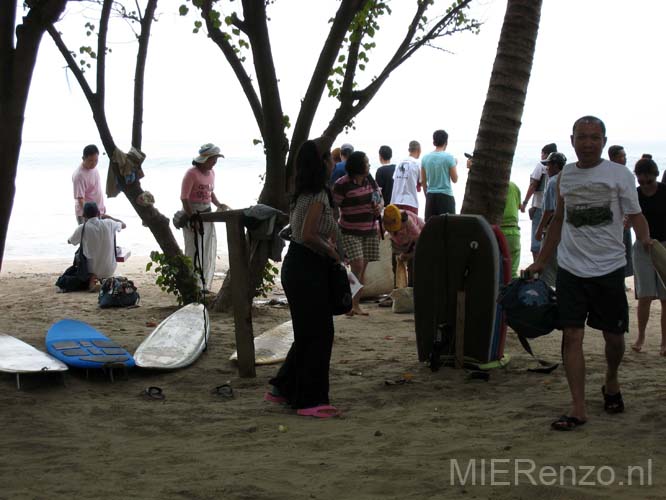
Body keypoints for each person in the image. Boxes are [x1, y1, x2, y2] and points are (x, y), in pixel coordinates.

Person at [527, 116, 651, 431]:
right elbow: (558, 221)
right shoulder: (563, 177)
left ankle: (611, 380)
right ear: (572, 141)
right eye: (582, 137)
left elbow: (635, 215)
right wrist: (542, 260)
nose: (588, 143)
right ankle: (578, 407)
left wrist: (648, 242)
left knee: (614, 338)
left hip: (609, 268)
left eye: (594, 137)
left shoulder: (620, 175)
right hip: (570, 268)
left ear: (604, 141)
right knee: (572, 335)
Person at [267, 138, 341, 418]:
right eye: (329, 158)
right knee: (320, 335)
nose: (333, 161)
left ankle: (283, 387)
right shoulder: (319, 194)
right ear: (322, 162)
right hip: (309, 266)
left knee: (308, 332)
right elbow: (309, 234)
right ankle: (310, 400)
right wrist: (332, 252)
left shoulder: (302, 193)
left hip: (296, 265)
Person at [333, 150, 383, 316]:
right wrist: (332, 232)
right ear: (358, 166)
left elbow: (379, 198)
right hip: (349, 231)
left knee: (363, 269)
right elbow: (334, 207)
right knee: (357, 265)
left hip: (369, 230)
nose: (369, 164)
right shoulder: (342, 184)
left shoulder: (370, 179)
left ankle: (355, 304)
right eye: (366, 162)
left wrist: (379, 207)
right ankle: (347, 301)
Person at [180, 143, 229, 292]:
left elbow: (210, 192)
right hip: (193, 214)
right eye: (213, 160)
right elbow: (184, 198)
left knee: (207, 248)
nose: (214, 163)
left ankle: (204, 283)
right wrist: (192, 218)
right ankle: (194, 284)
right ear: (204, 159)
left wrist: (219, 204)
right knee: (194, 249)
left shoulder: (212, 173)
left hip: (207, 214)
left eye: (216, 160)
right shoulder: (191, 173)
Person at [630, 156, 666, 354]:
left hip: (664, 247)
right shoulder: (634, 195)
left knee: (665, 297)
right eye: (641, 182)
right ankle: (641, 336)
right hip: (642, 248)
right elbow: (629, 219)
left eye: (649, 182)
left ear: (656, 176)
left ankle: (664, 342)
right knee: (645, 295)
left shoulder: (664, 192)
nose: (645, 186)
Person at [68, 202, 125, 290]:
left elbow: (70, 241)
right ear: (98, 213)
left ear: (83, 215)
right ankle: (105, 279)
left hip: (90, 270)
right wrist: (110, 217)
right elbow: (124, 225)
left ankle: (93, 279)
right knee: (117, 249)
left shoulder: (82, 228)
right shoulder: (109, 223)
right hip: (110, 269)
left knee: (82, 249)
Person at [534, 152, 567, 287]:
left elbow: (548, 210)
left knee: (547, 267)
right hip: (564, 231)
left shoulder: (553, 182)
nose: (546, 169)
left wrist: (539, 228)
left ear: (554, 165)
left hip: (552, 229)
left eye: (548, 165)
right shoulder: (566, 179)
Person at [520, 143, 557, 261]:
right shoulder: (561, 168)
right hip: (556, 208)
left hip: (539, 207)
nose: (541, 156)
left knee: (536, 243)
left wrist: (525, 203)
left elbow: (533, 185)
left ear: (546, 154)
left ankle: (537, 269)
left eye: (542, 153)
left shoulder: (541, 165)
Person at [608, 144, 634, 285]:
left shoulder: (626, 174)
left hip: (624, 219)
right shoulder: (610, 174)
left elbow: (631, 201)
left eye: (625, 156)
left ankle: (621, 281)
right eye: (622, 156)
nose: (624, 159)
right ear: (613, 157)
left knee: (624, 251)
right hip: (613, 221)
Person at [382, 204, 425, 287]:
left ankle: (412, 287)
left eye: (399, 228)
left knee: (413, 264)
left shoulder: (408, 221)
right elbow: (378, 233)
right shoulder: (386, 221)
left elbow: (419, 242)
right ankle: (395, 286)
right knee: (394, 262)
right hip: (398, 243)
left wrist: (410, 255)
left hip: (414, 242)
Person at [420, 129, 458, 220]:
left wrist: (428, 195)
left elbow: (423, 183)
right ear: (446, 142)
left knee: (432, 229)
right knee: (447, 229)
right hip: (446, 197)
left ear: (434, 142)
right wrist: (455, 164)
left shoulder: (425, 158)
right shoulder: (449, 157)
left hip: (431, 197)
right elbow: (455, 179)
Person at [72, 144, 106, 224]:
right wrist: (90, 216)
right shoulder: (79, 175)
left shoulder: (93, 168)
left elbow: (96, 189)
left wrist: (102, 207)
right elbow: (80, 199)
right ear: (83, 158)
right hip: (86, 215)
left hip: (98, 211)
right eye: (91, 161)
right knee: (88, 236)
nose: (94, 163)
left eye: (96, 160)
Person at [391, 141, 421, 214]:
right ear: (419, 150)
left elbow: (395, 179)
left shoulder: (399, 163)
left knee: (396, 225)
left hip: (395, 201)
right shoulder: (417, 164)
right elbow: (421, 182)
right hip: (410, 202)